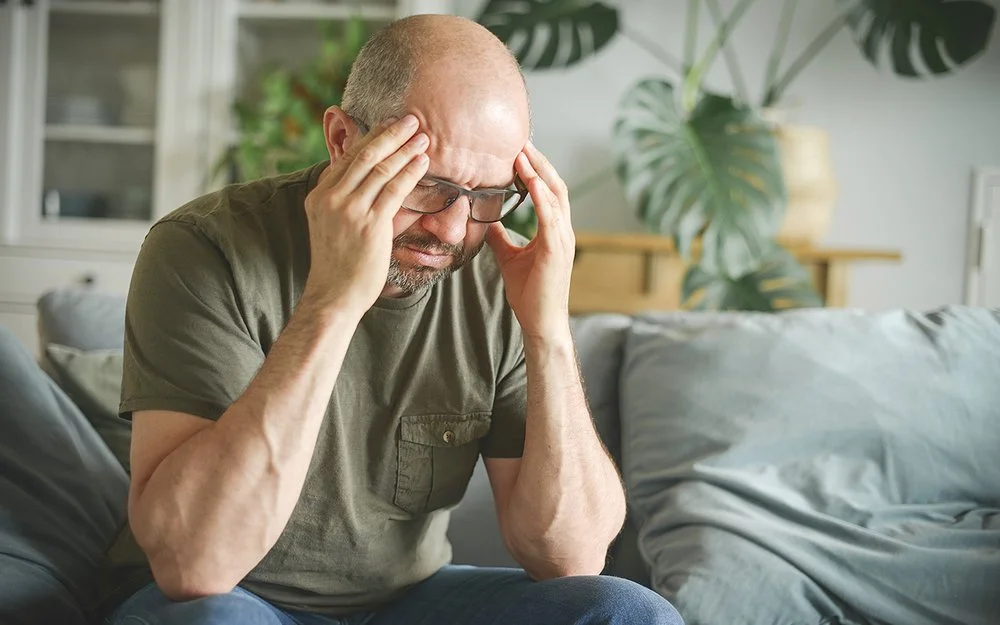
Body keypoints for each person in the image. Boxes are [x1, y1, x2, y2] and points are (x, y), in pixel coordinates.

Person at [102, 13, 684, 625]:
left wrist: (549, 333)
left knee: (626, 612)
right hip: (232, 599)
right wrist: (333, 300)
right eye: (429, 185)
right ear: (342, 142)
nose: (454, 231)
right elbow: (195, 565)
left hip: (410, 603)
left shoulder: (496, 273)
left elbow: (571, 558)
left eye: (488, 196)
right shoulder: (204, 248)